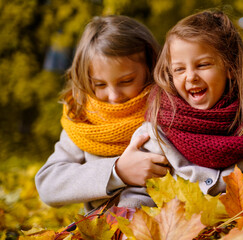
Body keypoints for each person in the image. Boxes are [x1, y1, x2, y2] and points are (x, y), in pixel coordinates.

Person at [117, 9, 243, 208]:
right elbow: (139, 192)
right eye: (179, 69)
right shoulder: (160, 129)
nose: (191, 76)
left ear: (230, 68)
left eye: (203, 65)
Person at [35, 15, 170, 213]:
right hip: (104, 227)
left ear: (150, 68)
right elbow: (48, 186)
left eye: (126, 81)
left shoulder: (169, 109)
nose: (114, 96)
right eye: (100, 84)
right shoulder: (85, 121)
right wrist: (117, 171)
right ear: (86, 80)